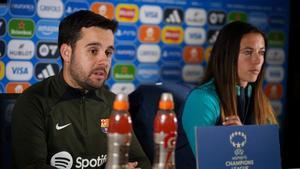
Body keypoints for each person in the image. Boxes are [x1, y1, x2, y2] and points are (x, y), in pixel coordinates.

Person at [11, 10, 151, 169]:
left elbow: (140, 161)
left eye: (108, 52)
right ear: (66, 53)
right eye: (93, 51)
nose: (104, 61)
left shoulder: (114, 103)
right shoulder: (33, 102)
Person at [182, 21, 278, 155]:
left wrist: (245, 139)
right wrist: (242, 143)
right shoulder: (202, 100)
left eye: (261, 52)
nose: (258, 60)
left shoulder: (258, 98)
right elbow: (208, 160)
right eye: (248, 52)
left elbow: (270, 156)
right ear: (227, 55)